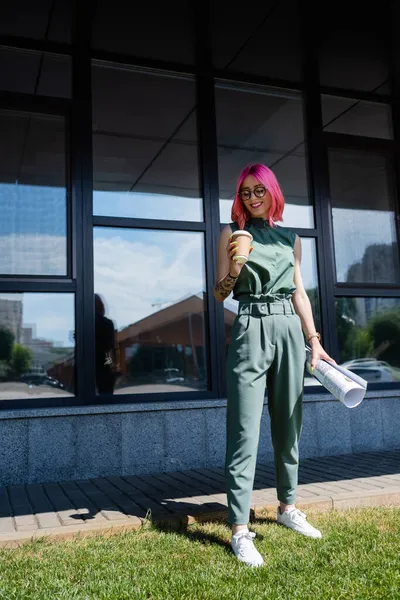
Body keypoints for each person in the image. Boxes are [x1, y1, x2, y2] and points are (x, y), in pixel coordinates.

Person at [214, 164, 335, 567]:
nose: (251, 197)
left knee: (289, 423)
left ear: (271, 191)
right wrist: (234, 269)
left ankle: (287, 508)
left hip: (288, 327)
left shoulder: (291, 238)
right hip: (250, 326)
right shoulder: (230, 233)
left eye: (258, 190)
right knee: (244, 428)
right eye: (245, 191)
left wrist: (314, 342)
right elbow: (218, 294)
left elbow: (299, 292)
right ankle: (239, 529)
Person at [94, 293, 118, 395]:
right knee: (106, 394)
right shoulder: (108, 323)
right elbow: (111, 347)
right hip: (103, 362)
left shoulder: (84, 322)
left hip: (88, 362)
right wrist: (112, 364)